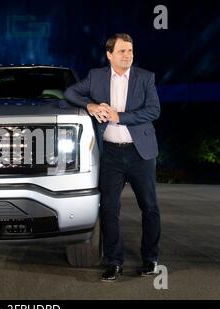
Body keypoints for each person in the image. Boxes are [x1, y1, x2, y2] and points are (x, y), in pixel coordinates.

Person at [64, 33, 161, 282]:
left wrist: (120, 117)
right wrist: (91, 106)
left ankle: (150, 259)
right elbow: (70, 93)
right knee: (108, 209)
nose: (128, 55)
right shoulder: (96, 77)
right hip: (110, 155)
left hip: (140, 153)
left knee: (149, 208)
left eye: (130, 51)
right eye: (122, 51)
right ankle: (114, 262)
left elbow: (153, 110)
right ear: (109, 55)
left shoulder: (145, 77)